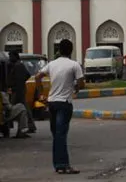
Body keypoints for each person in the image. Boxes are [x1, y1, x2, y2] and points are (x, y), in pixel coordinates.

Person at [35, 38, 84, 175]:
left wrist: (40, 95)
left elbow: (38, 77)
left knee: (56, 135)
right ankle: (64, 165)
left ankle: (58, 165)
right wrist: (75, 88)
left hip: (52, 102)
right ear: (71, 51)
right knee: (61, 135)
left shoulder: (52, 64)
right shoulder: (74, 65)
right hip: (64, 103)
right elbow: (81, 83)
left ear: (59, 50)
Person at [8, 50, 36, 132]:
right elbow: (27, 75)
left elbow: (22, 78)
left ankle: (25, 127)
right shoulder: (18, 65)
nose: (10, 58)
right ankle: (30, 126)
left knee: (13, 109)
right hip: (19, 90)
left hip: (18, 91)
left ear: (15, 57)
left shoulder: (18, 66)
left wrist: (18, 85)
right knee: (24, 108)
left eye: (11, 56)